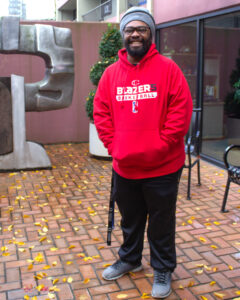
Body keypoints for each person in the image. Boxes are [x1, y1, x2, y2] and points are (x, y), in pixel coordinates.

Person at [93, 6, 193, 299]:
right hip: (125, 165)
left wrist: (161, 145)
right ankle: (130, 259)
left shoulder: (168, 69)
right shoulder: (111, 75)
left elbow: (181, 110)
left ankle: (162, 267)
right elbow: (101, 112)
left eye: (142, 29)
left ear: (151, 34)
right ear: (124, 36)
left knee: (161, 222)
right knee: (131, 219)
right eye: (129, 29)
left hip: (163, 166)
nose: (135, 34)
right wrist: (114, 146)